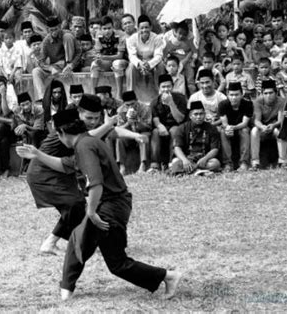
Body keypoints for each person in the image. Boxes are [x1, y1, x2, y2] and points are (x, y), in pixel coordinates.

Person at [16, 108, 182, 301]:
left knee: (101, 254)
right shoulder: (88, 142)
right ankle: (67, 289)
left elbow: (95, 183)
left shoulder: (84, 147)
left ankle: (167, 276)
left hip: (111, 206)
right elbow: (64, 165)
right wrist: (37, 154)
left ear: (61, 133)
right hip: (114, 204)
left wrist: (92, 212)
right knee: (94, 250)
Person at [31, 16, 81, 101]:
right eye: (51, 30)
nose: (54, 32)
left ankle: (71, 99)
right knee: (36, 71)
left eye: (56, 29)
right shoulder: (46, 41)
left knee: (67, 37)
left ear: (59, 27)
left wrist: (71, 65)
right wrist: (50, 68)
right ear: (48, 29)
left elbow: (79, 52)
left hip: (70, 65)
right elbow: (41, 61)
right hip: (56, 67)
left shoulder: (68, 34)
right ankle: (43, 99)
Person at [170, 101, 221, 176]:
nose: (199, 117)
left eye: (201, 114)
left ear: (205, 115)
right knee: (175, 161)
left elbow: (215, 149)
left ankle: (189, 171)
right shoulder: (182, 128)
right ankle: (199, 172)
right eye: (196, 114)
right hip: (187, 157)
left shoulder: (211, 128)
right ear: (190, 116)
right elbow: (177, 147)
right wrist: (185, 160)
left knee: (215, 163)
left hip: (203, 159)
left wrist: (205, 158)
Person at [149, 74, 187, 172]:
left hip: (177, 126)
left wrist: (171, 103)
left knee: (174, 130)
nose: (166, 89)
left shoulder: (181, 98)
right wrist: (159, 125)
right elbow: (155, 118)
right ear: (159, 88)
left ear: (173, 86)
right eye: (163, 87)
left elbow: (180, 119)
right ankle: (155, 165)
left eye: (168, 86)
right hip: (162, 127)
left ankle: (172, 162)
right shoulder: (154, 102)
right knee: (155, 132)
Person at [126, 14, 164, 102]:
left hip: (152, 63)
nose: (144, 30)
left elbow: (159, 55)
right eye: (142, 28)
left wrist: (149, 64)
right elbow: (132, 55)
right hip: (138, 64)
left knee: (161, 65)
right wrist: (140, 64)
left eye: (146, 27)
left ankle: (161, 94)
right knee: (131, 67)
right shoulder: (132, 39)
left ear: (150, 27)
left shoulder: (157, 38)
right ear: (138, 29)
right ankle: (130, 96)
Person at [251, 80, 287, 169]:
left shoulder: (281, 101)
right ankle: (255, 162)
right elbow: (257, 120)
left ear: (276, 92)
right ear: (262, 93)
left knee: (280, 131)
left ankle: (283, 161)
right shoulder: (257, 102)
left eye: (271, 93)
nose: (268, 95)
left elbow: (280, 120)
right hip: (262, 128)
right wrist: (262, 126)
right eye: (265, 93)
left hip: (275, 126)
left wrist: (273, 125)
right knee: (254, 131)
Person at [218, 81, 253, 172]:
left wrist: (232, 127)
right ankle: (227, 164)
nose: (234, 97)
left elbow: (244, 123)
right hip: (229, 128)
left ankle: (244, 163)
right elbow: (224, 123)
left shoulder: (248, 104)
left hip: (241, 128)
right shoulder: (222, 105)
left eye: (237, 94)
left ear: (242, 94)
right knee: (223, 131)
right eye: (231, 95)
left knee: (244, 130)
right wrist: (228, 128)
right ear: (227, 95)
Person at [91, 16, 128, 98]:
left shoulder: (121, 35)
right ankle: (93, 94)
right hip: (107, 62)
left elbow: (120, 55)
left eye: (109, 28)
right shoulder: (98, 35)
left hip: (122, 61)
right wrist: (98, 59)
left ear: (113, 27)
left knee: (117, 63)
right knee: (94, 64)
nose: (107, 31)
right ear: (100, 29)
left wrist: (103, 57)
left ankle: (119, 94)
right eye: (104, 28)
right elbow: (97, 52)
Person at [116, 90, 151, 174]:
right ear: (124, 103)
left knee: (143, 137)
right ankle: (122, 166)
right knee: (119, 139)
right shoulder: (120, 110)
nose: (130, 107)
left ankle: (143, 165)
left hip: (142, 132)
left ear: (137, 100)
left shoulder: (145, 108)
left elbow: (149, 126)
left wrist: (138, 120)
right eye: (127, 105)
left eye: (133, 104)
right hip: (129, 134)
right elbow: (119, 129)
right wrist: (128, 123)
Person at [162, 20, 197, 93]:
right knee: (175, 78)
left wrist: (191, 60)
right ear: (175, 32)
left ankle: (193, 95)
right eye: (180, 33)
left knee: (190, 80)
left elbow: (193, 51)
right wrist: (166, 58)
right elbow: (165, 52)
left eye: (184, 34)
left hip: (187, 62)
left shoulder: (188, 42)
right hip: (175, 64)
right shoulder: (170, 42)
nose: (181, 36)